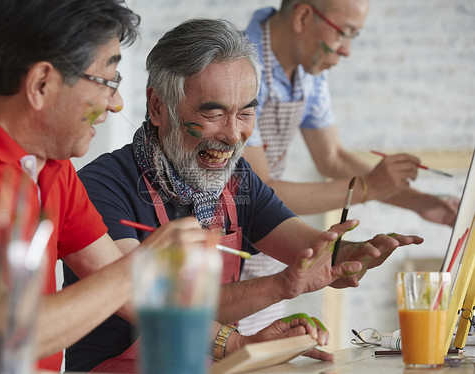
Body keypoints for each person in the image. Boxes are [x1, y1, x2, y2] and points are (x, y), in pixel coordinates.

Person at [63, 18, 423, 372]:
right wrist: (277, 292)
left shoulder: (237, 181)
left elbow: (308, 248)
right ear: (158, 107)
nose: (234, 135)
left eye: (247, 112)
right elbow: (149, 303)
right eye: (215, 113)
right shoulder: (101, 187)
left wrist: (350, 253)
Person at [0, 0, 213, 371]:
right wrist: (143, 265)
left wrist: (235, 340)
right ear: (41, 84)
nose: (117, 104)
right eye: (108, 82)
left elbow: (126, 291)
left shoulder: (52, 169)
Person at [239, 0, 459, 333]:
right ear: (303, 16)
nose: (347, 51)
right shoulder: (241, 67)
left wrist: (422, 202)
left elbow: (334, 158)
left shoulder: (307, 69)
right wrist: (370, 188)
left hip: (266, 236)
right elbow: (261, 191)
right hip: (226, 239)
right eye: (346, 33)